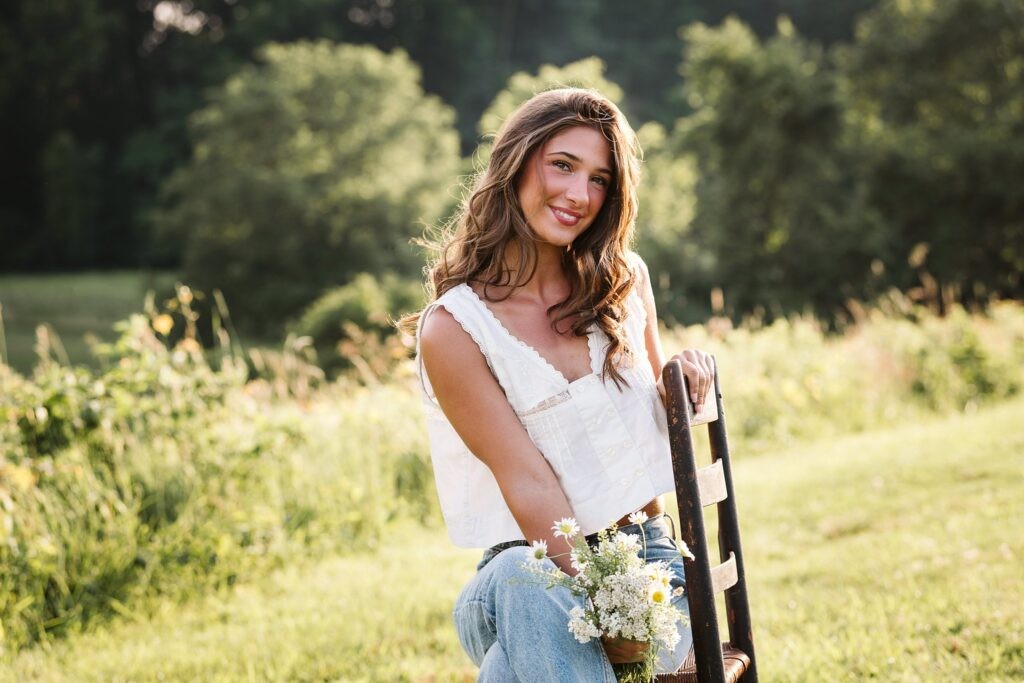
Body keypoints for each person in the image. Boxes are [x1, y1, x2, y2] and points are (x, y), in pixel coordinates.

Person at [406, 87, 716, 681]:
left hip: (646, 566)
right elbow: (527, 482)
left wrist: (683, 373)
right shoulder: (455, 329)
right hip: (519, 574)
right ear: (518, 163)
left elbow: (647, 409)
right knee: (528, 581)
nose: (579, 195)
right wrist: (597, 611)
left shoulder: (624, 284)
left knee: (511, 670)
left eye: (600, 179)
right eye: (563, 165)